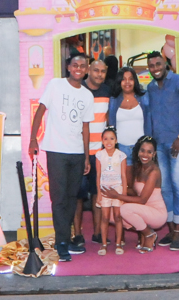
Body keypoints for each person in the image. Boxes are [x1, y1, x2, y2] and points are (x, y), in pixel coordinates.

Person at [29, 53, 94, 261]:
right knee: (58, 198)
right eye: (75, 64)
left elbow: (86, 128)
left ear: (86, 70)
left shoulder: (87, 95)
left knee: (71, 198)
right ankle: (62, 242)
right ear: (69, 67)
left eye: (83, 66)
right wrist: (33, 139)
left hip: (76, 153)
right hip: (56, 150)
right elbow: (40, 111)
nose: (78, 68)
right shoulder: (55, 85)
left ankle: (64, 238)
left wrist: (85, 156)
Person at [143, 51, 179, 250]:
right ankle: (173, 228)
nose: (155, 68)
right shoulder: (150, 87)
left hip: (178, 144)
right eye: (152, 66)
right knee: (165, 188)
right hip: (159, 146)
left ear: (165, 64)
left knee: (178, 185)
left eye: (158, 64)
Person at [73, 58, 113, 249]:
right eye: (96, 70)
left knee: (99, 194)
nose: (99, 74)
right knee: (78, 195)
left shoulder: (107, 91)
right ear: (89, 70)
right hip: (80, 152)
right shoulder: (78, 90)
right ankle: (78, 234)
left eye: (103, 71)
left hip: (101, 153)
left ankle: (98, 233)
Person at [102, 136, 166, 252]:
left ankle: (149, 234)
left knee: (125, 209)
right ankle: (143, 231)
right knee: (112, 213)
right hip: (143, 210)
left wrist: (116, 196)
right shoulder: (139, 168)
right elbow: (134, 192)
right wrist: (116, 189)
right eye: (142, 151)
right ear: (137, 152)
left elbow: (142, 200)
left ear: (154, 154)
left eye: (149, 152)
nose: (145, 155)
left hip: (157, 213)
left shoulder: (154, 171)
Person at [94, 127, 127, 255]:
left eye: (112, 138)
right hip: (104, 190)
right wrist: (98, 193)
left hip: (117, 189)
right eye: (106, 139)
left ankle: (118, 243)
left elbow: (124, 175)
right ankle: (103, 244)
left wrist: (124, 193)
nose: (109, 141)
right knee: (105, 217)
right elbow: (98, 175)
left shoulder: (121, 155)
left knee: (118, 217)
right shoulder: (99, 155)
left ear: (116, 140)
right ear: (102, 141)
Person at [107, 66, 150, 162]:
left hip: (142, 149)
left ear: (135, 80)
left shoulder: (144, 97)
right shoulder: (113, 100)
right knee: (125, 177)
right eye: (123, 79)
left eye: (130, 79)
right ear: (119, 82)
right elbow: (111, 124)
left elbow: (151, 119)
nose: (127, 82)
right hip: (121, 149)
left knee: (142, 177)